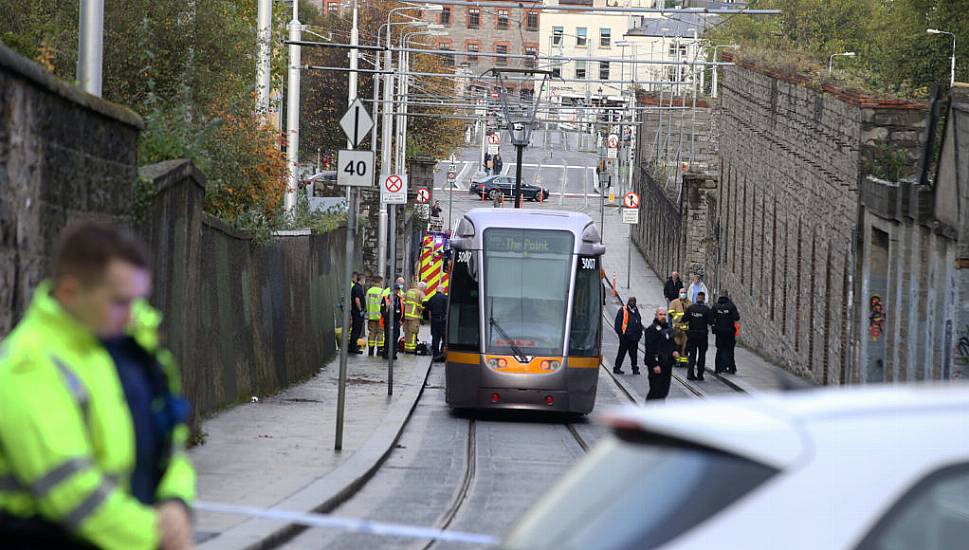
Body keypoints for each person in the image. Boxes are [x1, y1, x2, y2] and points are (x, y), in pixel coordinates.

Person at [0, 221, 195, 549]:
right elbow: (73, 493)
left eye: (138, 300)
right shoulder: (29, 365)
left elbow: (170, 444)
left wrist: (176, 501)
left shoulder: (132, 350)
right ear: (69, 293)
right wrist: (158, 537)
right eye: (120, 302)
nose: (134, 315)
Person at [644, 307, 678, 401]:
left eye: (664, 315)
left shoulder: (668, 329)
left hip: (667, 364)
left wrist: (674, 351)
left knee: (664, 391)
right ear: (656, 316)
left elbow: (672, 344)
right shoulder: (652, 330)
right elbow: (650, 349)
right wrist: (654, 364)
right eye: (660, 314)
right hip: (657, 364)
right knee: (655, 391)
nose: (663, 317)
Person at [685, 291, 714, 381]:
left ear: (696, 299)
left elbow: (684, 319)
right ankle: (700, 374)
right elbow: (710, 322)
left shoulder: (691, 308)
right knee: (702, 356)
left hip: (692, 335)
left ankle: (690, 374)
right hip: (702, 335)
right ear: (704, 299)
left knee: (692, 355)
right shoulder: (706, 310)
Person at [613, 297, 644, 375]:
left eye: (634, 301)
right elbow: (617, 323)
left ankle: (635, 368)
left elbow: (639, 323)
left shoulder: (636, 311)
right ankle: (617, 368)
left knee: (634, 354)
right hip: (625, 337)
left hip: (634, 338)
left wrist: (639, 335)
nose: (632, 302)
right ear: (628, 302)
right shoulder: (623, 311)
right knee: (622, 353)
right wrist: (621, 335)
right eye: (631, 301)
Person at [713, 291, 741, 374]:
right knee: (730, 350)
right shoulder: (731, 306)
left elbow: (711, 318)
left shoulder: (715, 306)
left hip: (719, 332)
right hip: (729, 332)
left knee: (719, 350)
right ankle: (731, 368)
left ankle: (718, 368)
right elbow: (736, 317)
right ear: (728, 297)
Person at [667, 288, 691, 367]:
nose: (683, 294)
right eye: (682, 292)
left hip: (686, 329)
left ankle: (683, 361)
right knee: (677, 345)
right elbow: (670, 313)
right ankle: (676, 360)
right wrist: (678, 318)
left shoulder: (689, 303)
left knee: (685, 346)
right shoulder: (674, 302)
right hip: (677, 328)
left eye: (684, 292)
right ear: (679, 293)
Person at [403, 282, 427, 354]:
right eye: (425, 289)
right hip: (414, 317)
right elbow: (424, 304)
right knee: (413, 333)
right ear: (422, 288)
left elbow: (402, 300)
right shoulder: (420, 293)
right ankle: (411, 350)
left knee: (407, 332)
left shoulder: (409, 291)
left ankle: (406, 348)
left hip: (406, 316)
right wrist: (422, 309)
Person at [382, 282, 403, 359]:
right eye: (395, 289)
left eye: (397, 289)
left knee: (395, 337)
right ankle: (386, 353)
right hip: (388, 322)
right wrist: (387, 319)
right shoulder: (386, 298)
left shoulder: (399, 299)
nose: (397, 291)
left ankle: (393, 354)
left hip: (397, 322)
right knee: (388, 338)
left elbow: (402, 310)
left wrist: (401, 320)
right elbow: (382, 310)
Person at [425, 289, 448, 361]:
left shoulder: (432, 298)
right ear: (442, 290)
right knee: (444, 338)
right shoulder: (446, 298)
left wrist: (430, 321)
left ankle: (436, 355)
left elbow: (429, 311)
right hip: (444, 321)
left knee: (435, 338)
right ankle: (442, 354)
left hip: (434, 320)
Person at [365, 276, 385, 356]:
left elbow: (366, 303)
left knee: (372, 333)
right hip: (380, 316)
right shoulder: (382, 292)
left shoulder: (369, 291)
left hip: (371, 316)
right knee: (380, 333)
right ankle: (379, 350)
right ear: (380, 282)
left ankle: (370, 350)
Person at [349, 272, 365, 354]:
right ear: (361, 279)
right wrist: (360, 310)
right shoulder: (358, 288)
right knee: (356, 329)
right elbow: (357, 299)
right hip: (357, 312)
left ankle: (352, 345)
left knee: (355, 329)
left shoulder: (356, 287)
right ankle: (353, 346)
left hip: (356, 312)